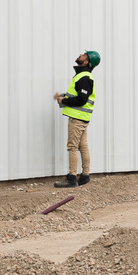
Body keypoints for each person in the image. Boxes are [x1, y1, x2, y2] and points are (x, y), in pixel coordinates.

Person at [53, 49, 101, 187]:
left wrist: (63, 101)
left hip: (77, 118)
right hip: (83, 118)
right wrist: (62, 96)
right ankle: (85, 175)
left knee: (72, 146)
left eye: (84, 55)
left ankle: (71, 178)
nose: (81, 54)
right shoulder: (83, 76)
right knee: (82, 145)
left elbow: (81, 100)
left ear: (86, 62)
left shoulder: (84, 77)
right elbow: (77, 96)